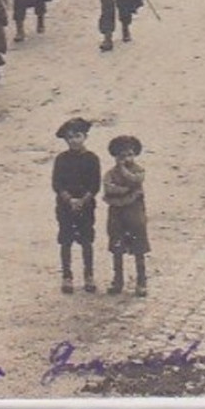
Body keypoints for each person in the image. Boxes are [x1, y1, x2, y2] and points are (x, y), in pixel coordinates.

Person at [52, 117, 102, 294]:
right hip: (65, 207)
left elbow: (95, 185)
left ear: (85, 137)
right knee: (66, 240)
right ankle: (67, 276)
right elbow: (57, 184)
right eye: (70, 137)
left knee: (86, 241)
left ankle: (89, 275)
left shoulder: (92, 159)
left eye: (77, 136)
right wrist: (69, 200)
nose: (74, 140)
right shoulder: (61, 159)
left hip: (86, 206)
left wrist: (83, 200)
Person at [102, 135, 149, 296]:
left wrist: (123, 174)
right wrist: (126, 190)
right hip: (117, 213)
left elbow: (135, 180)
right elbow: (109, 188)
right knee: (117, 248)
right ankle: (118, 281)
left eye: (130, 155)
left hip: (134, 214)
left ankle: (141, 282)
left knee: (139, 249)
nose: (127, 159)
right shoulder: (109, 173)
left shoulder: (139, 170)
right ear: (116, 157)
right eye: (122, 156)